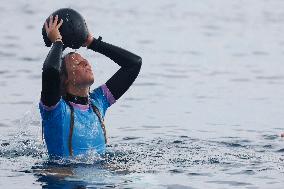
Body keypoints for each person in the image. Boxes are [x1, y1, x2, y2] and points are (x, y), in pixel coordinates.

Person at [39, 15, 142, 158]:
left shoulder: (98, 103)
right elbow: (50, 70)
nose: (86, 63)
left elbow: (133, 64)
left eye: (85, 61)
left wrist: (93, 43)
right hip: (63, 177)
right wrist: (57, 41)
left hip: (98, 173)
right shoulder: (56, 110)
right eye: (78, 63)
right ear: (65, 79)